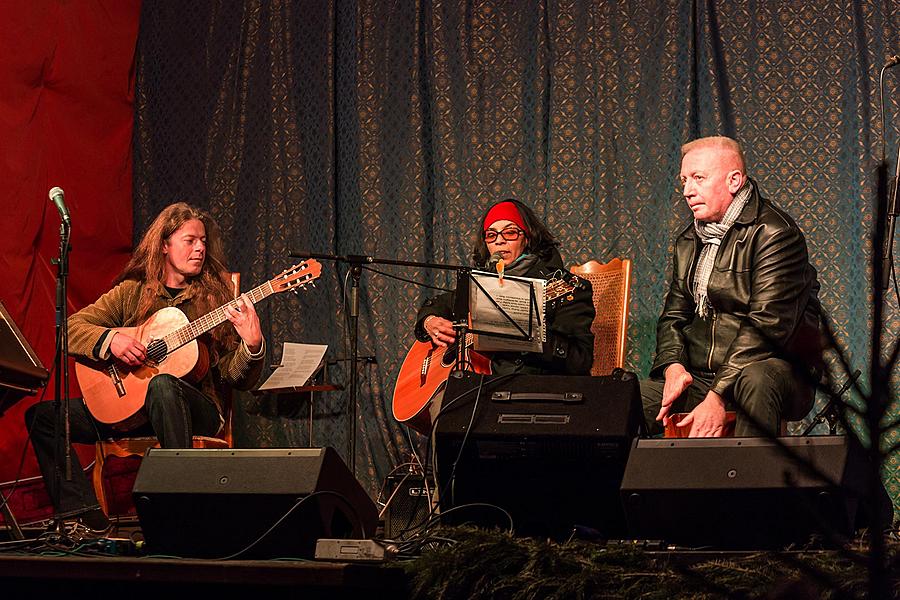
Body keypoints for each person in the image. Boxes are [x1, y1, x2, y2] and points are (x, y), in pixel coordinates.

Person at [26, 203, 266, 532]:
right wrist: (111, 341)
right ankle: (84, 515)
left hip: (193, 408)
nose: (200, 248)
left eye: (204, 242)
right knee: (43, 418)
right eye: (190, 240)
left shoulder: (215, 300)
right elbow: (69, 331)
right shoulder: (133, 293)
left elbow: (231, 375)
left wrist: (252, 347)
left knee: (163, 385)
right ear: (164, 245)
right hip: (132, 410)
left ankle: (181, 511)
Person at [641, 136, 823, 438]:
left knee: (755, 379)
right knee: (628, 400)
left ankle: (749, 482)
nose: (687, 191)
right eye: (684, 180)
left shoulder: (775, 233)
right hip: (703, 375)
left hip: (772, 369)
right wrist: (673, 366)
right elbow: (673, 316)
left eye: (699, 178)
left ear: (734, 180)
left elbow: (767, 326)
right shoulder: (689, 240)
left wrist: (717, 396)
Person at [415, 199, 595, 376]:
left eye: (509, 233)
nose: (499, 241)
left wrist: (528, 335)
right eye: (491, 235)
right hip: (486, 387)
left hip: (538, 390)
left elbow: (581, 360)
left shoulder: (563, 285)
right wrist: (429, 321)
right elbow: (439, 303)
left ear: (528, 238)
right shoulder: (482, 284)